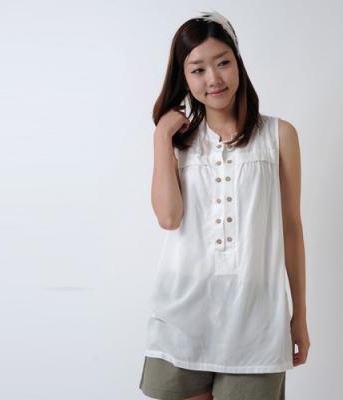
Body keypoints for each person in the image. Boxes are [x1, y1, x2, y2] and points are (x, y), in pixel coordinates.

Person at [139, 9, 310, 400]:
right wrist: (161, 137)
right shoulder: (178, 142)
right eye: (197, 69)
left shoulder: (279, 136)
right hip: (181, 320)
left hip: (257, 323)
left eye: (222, 63)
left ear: (238, 63)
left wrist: (299, 314)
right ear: (184, 77)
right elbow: (168, 217)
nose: (213, 79)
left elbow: (291, 227)